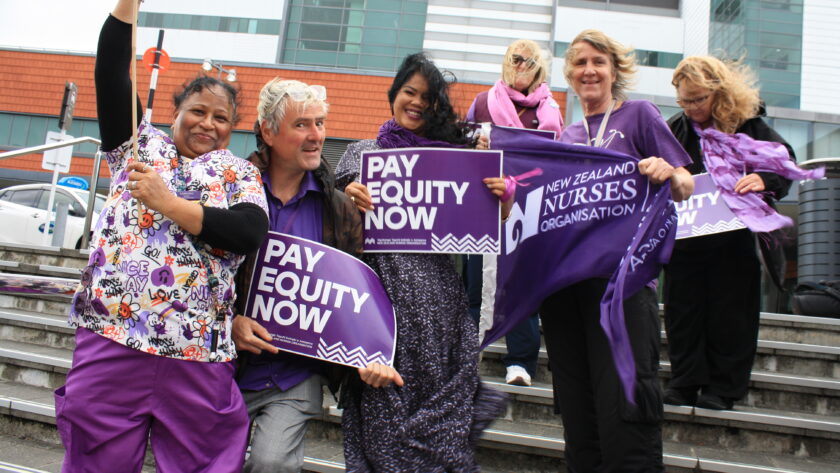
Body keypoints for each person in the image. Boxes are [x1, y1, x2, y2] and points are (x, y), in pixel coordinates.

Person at [55, 1, 269, 471]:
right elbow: (111, 70)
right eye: (197, 111)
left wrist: (168, 204)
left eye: (220, 117)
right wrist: (127, 5)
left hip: (196, 350)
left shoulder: (239, 174)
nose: (207, 124)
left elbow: (248, 233)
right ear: (175, 113)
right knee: (96, 456)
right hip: (111, 335)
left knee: (204, 461)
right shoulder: (138, 143)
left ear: (232, 128)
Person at [335, 52, 509, 472]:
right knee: (382, 420)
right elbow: (333, 219)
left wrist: (502, 195)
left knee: (441, 423)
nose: (416, 102)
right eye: (408, 92)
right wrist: (349, 198)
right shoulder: (362, 153)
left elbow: (494, 220)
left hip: (438, 310)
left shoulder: (456, 158)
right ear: (394, 95)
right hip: (380, 305)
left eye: (427, 97)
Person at [540, 29, 694, 472]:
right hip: (568, 293)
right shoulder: (565, 136)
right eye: (581, 63)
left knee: (625, 407)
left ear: (614, 70)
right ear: (570, 73)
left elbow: (684, 184)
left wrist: (668, 170)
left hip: (622, 290)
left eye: (599, 62)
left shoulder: (640, 116)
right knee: (578, 411)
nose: (589, 70)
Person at [231, 78, 402, 473]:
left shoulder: (340, 208)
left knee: (272, 463)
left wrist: (371, 355)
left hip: (295, 375)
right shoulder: (233, 187)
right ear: (269, 131)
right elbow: (204, 275)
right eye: (302, 125)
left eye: (320, 123)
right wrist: (229, 323)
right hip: (227, 366)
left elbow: (353, 294)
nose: (316, 136)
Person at [663, 56, 795, 410]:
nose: (691, 108)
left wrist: (764, 179)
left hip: (732, 240)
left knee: (731, 314)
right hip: (686, 239)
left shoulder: (747, 124)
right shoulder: (675, 127)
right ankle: (685, 382)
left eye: (699, 99)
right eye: (684, 100)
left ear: (718, 93)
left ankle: (723, 388)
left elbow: (785, 161)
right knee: (682, 313)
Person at [466, 39, 563, 386]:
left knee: (521, 284)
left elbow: (557, 163)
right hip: (484, 207)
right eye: (515, 59)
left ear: (540, 67)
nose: (521, 65)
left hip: (528, 209)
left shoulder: (550, 112)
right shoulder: (482, 103)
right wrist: (473, 145)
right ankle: (468, 352)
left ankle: (520, 361)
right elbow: (459, 152)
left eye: (529, 60)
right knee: (477, 285)